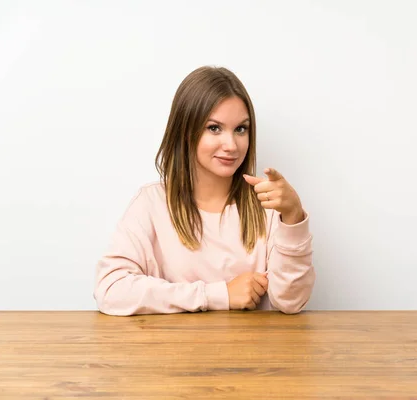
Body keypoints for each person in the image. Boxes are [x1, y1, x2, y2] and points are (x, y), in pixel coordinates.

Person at [93, 66, 315, 316]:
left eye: (241, 129)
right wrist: (220, 294)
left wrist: (294, 217)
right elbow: (111, 291)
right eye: (214, 128)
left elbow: (291, 301)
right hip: (175, 353)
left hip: (254, 354)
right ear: (186, 132)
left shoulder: (268, 208)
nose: (231, 145)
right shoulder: (151, 204)